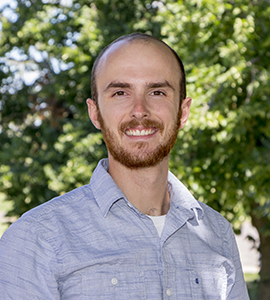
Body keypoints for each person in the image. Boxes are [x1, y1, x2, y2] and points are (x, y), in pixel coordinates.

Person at [0, 33, 250, 300]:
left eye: (157, 92)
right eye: (120, 92)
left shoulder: (218, 233)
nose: (139, 110)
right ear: (95, 113)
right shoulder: (36, 238)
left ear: (183, 112)